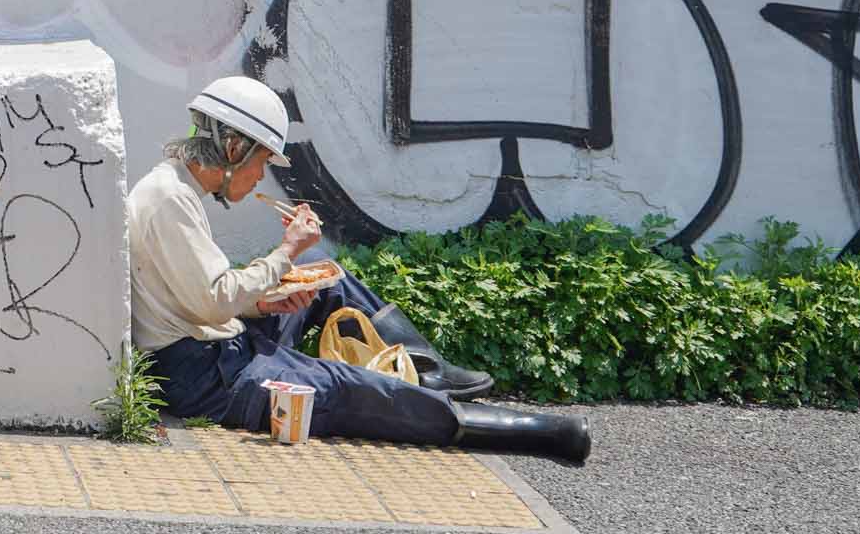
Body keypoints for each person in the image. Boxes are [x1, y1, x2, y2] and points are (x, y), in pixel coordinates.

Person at [128, 75, 590, 464]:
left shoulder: (177, 188)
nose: (260, 177)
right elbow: (213, 301)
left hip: (220, 347)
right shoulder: (170, 199)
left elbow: (200, 296)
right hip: (208, 378)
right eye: (263, 161)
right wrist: (286, 250)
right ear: (233, 148)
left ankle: (427, 370)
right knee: (343, 388)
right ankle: (538, 432)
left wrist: (266, 300)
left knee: (325, 275)